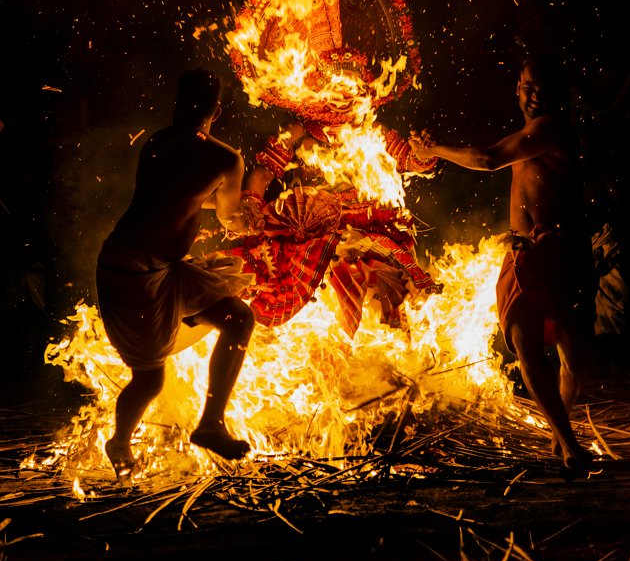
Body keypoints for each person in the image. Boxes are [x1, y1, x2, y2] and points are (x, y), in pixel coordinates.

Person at [409, 56, 598, 474]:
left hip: (562, 250)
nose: (536, 96)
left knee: (573, 358)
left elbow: (488, 158)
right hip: (525, 253)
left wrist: (434, 150)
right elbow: (488, 150)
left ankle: (559, 435)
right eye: (529, 87)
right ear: (517, 87)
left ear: (559, 95)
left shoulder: (549, 129)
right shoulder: (529, 132)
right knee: (524, 341)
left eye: (545, 89)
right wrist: (438, 146)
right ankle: (567, 444)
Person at [96, 68, 255, 479]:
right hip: (135, 272)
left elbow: (174, 198)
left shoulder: (156, 142)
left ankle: (210, 424)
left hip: (153, 265)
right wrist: (248, 218)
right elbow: (228, 215)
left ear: (178, 104)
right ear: (216, 111)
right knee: (149, 381)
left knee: (238, 318)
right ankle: (119, 442)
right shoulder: (225, 158)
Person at [232, 117, 441, 338]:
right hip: (314, 230)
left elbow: (409, 161)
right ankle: (337, 350)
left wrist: (424, 151)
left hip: (368, 223)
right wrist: (251, 207)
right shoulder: (296, 131)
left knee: (389, 303)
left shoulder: (367, 124)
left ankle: (393, 349)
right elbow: (263, 173)